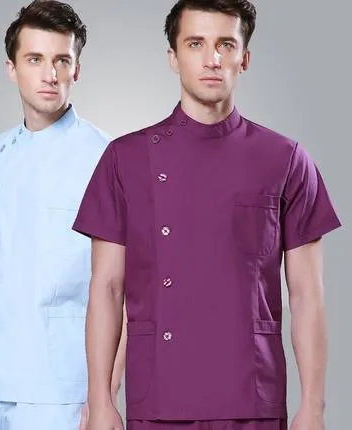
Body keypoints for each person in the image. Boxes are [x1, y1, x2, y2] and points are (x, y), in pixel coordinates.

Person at [72, 0, 341, 429]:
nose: (212, 59)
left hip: (253, 399)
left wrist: (313, 406)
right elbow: (106, 288)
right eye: (196, 43)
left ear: (244, 58)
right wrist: (100, 400)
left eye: (226, 45)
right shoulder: (125, 159)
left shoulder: (286, 159)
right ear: (173, 57)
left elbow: (307, 294)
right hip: (159, 399)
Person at [0, 1, 124, 429]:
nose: (50, 74)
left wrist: (104, 397)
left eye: (62, 60)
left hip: (62, 387)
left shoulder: (106, 158)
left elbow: (125, 288)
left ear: (76, 70)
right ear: (12, 68)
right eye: (35, 59)